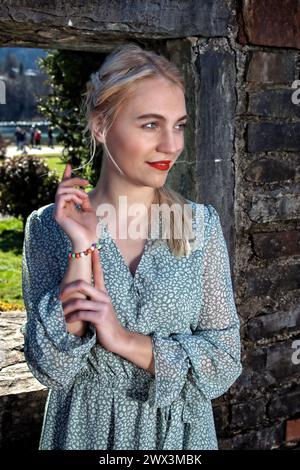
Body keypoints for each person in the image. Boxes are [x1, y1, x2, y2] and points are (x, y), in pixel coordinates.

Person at [21, 43, 242, 450]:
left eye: (179, 125)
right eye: (150, 125)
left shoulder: (200, 226)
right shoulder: (48, 229)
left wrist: (124, 340)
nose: (172, 145)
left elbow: (224, 362)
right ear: (101, 126)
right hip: (85, 434)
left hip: (179, 440)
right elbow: (49, 369)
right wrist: (82, 250)